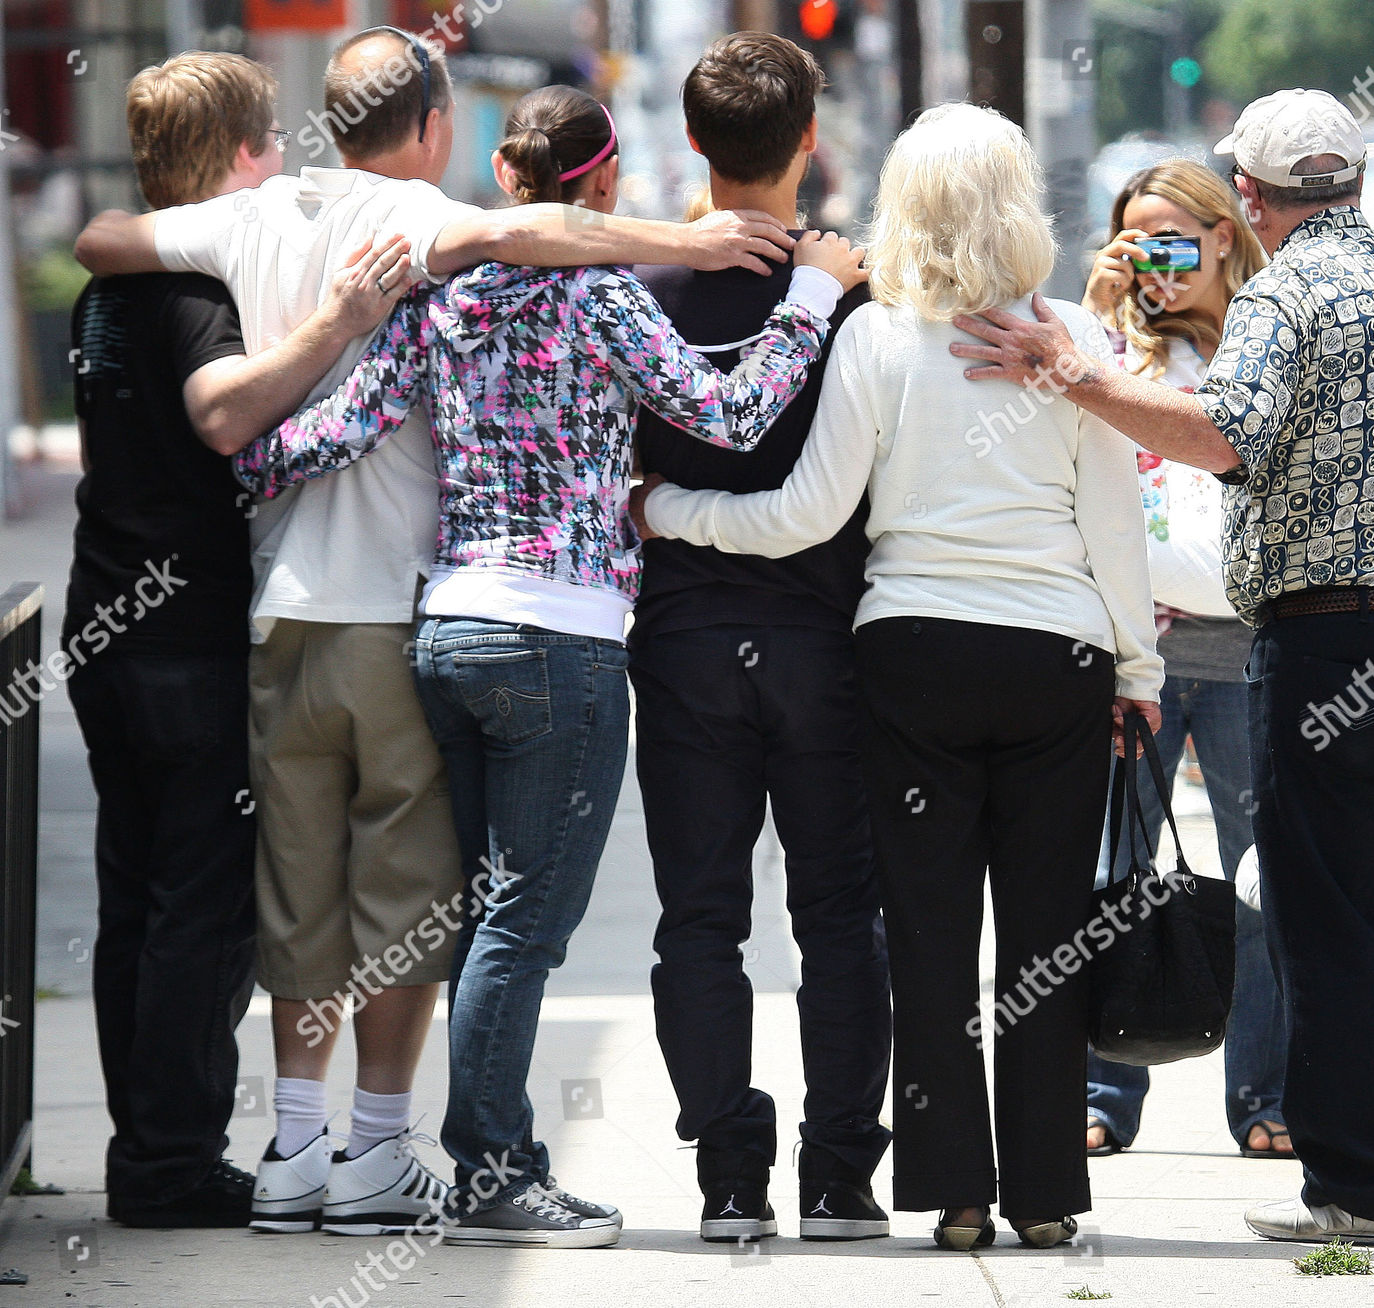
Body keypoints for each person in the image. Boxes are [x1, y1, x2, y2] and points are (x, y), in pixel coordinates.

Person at [72, 26, 798, 1237]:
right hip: (440, 624)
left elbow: (114, 254)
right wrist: (735, 259)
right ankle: (399, 1157)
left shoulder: (264, 226)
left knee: (293, 896)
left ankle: (293, 1148)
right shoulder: (423, 238)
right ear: (430, 129)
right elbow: (612, 306)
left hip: (296, 617)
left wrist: (260, 457)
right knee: (431, 907)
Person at [234, 84, 865, 1247]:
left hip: (448, 629)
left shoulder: (443, 302)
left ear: (510, 180)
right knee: (525, 927)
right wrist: (815, 298)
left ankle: (472, 1153)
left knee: (484, 917)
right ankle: (492, 1173)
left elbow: (317, 439)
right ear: (607, 186)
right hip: (559, 639)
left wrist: (211, 455)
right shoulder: (602, 295)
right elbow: (727, 417)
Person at [951, 88, 1374, 1247]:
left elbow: (1222, 433)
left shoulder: (1285, 295)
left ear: (1250, 195)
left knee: (1325, 921)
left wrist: (1066, 369)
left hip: (1327, 638)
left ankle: (1365, 1191)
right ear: (1352, 180)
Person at [633, 102, 1163, 1251]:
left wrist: (668, 508)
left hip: (911, 653)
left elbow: (805, 517)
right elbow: (1115, 527)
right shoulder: (1072, 337)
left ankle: (954, 1191)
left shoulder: (874, 336)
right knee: (1045, 937)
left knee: (922, 932)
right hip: (1057, 657)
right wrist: (1137, 665)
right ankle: (1044, 1196)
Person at [65, 52, 413, 1229]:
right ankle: (169, 1163)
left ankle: (141, 1151)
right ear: (230, 157)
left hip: (104, 623)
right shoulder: (195, 283)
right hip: (183, 637)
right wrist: (342, 319)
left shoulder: (108, 287)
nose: (278, 167)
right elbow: (222, 414)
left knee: (136, 900)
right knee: (201, 910)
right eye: (267, 144)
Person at [629, 32, 891, 1245]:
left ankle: (731, 1179)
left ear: (693, 143)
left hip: (684, 640)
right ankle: (840, 1180)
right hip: (830, 645)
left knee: (699, 918)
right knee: (840, 916)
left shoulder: (642, 290)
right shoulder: (860, 297)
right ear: (809, 145)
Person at [1079, 159, 1290, 1162]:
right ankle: (1102, 1093)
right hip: (1143, 650)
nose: (1156, 265)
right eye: (1135, 243)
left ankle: (1265, 1099)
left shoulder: (1266, 337)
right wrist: (1096, 317)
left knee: (1264, 882)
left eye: (1172, 240)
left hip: (1253, 647)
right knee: (1116, 874)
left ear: (1220, 234)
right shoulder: (1111, 345)